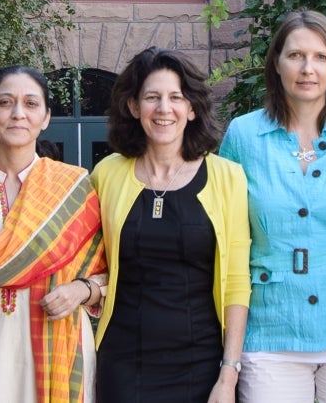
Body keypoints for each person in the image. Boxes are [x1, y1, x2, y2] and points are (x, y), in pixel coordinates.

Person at [220, 10, 326, 403]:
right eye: (296, 55)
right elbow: (230, 234)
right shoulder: (243, 136)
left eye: (320, 57)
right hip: (270, 327)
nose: (307, 68)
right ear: (277, 63)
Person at [90, 47, 250, 403]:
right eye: (152, 97)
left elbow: (238, 283)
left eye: (176, 97)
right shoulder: (107, 175)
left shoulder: (227, 178)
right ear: (134, 107)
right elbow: (93, 264)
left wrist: (228, 373)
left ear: (192, 109)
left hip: (201, 362)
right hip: (122, 361)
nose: (164, 109)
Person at [0, 66, 106, 403]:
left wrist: (81, 290)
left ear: (46, 117)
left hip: (58, 355)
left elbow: (109, 276)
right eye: (5, 102)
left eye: (31, 104)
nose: (18, 113)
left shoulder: (75, 188)